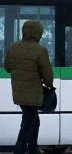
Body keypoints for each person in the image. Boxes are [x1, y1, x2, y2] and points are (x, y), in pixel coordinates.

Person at [4, 20, 54, 154]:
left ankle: (33, 149)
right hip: (33, 94)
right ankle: (18, 151)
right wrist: (49, 85)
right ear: (39, 33)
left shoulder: (13, 47)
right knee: (27, 125)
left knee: (33, 122)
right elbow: (48, 76)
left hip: (19, 93)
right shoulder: (40, 50)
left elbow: (7, 68)